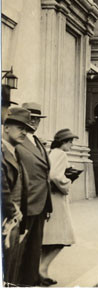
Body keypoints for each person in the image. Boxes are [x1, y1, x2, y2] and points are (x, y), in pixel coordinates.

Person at [16, 102, 52, 286]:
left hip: (41, 202)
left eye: (38, 119)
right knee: (20, 249)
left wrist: (49, 204)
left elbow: (44, 173)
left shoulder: (38, 141)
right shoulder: (18, 141)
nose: (35, 122)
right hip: (25, 202)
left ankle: (30, 281)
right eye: (32, 118)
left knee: (34, 247)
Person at [39, 128, 78, 285]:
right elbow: (55, 175)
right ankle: (42, 269)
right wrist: (67, 182)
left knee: (50, 239)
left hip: (50, 199)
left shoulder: (52, 152)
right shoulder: (61, 154)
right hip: (57, 200)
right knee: (62, 239)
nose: (71, 145)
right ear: (63, 142)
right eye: (70, 142)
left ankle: (41, 269)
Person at [2, 107, 32, 285]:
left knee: (12, 268)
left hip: (15, 222)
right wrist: (13, 211)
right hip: (6, 220)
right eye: (20, 127)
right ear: (6, 127)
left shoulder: (15, 152)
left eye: (26, 129)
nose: (24, 132)